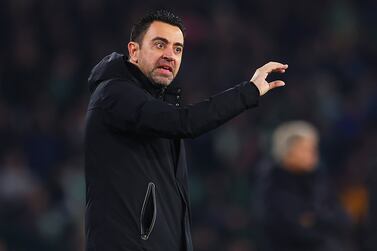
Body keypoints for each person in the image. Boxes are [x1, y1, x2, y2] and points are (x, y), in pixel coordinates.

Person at [84, 9, 288, 251]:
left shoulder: (151, 104)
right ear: (134, 51)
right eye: (160, 44)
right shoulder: (115, 94)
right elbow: (185, 123)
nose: (170, 55)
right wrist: (248, 91)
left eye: (177, 49)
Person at [256, 121, 355, 251]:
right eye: (306, 149)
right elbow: (294, 228)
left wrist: (315, 220)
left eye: (314, 148)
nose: (313, 154)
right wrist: (321, 221)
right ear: (288, 152)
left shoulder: (318, 179)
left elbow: (343, 220)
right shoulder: (274, 183)